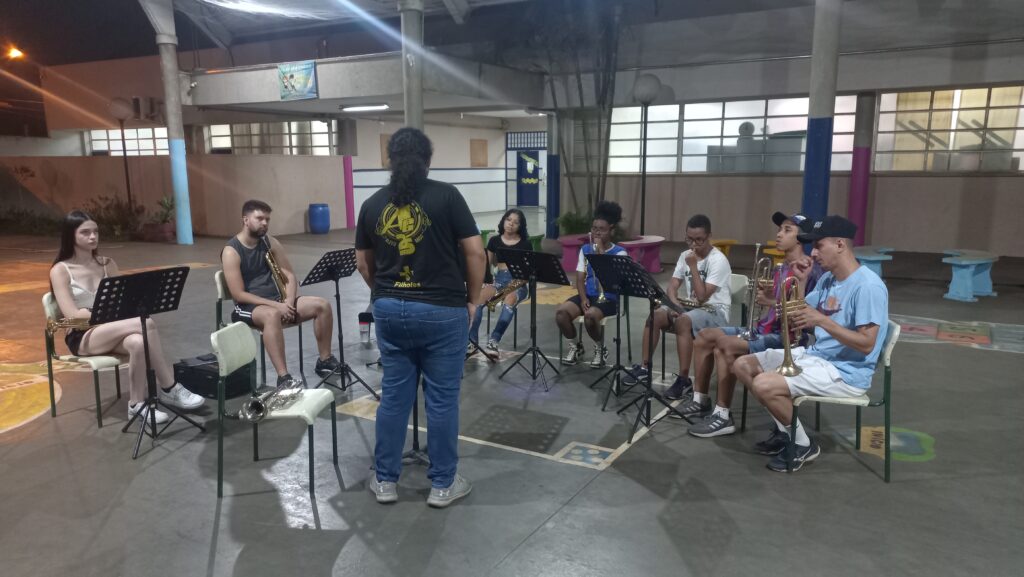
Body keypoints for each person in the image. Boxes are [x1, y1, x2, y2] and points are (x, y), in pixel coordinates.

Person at [355, 127, 486, 508]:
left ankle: (385, 480)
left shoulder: (373, 203)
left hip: (389, 310)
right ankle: (443, 485)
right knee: (442, 400)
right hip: (442, 310)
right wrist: (472, 299)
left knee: (394, 397)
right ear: (428, 160)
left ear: (390, 160)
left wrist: (385, 292)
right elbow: (476, 253)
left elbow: (363, 263)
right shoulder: (447, 196)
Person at [734, 215, 889, 472]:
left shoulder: (868, 286)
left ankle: (802, 444)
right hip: (818, 357)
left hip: (846, 372)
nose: (813, 253)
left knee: (763, 383)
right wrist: (802, 282)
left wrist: (823, 321)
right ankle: (788, 431)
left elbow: (866, 344)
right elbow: (798, 310)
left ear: (840, 245)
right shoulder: (829, 279)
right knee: (743, 365)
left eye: (819, 246)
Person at [49, 211, 204, 424]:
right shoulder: (60, 270)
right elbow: (74, 316)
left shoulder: (107, 264)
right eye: (85, 232)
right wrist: (106, 313)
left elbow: (124, 303)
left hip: (112, 327)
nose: (93, 236)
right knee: (146, 323)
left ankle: (136, 405)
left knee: (138, 342)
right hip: (82, 335)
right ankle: (169, 386)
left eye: (95, 231)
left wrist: (105, 312)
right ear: (70, 235)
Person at [684, 212, 823, 437]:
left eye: (787, 230)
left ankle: (722, 415)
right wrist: (764, 298)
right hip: (763, 329)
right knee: (705, 335)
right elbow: (769, 310)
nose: (778, 234)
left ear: (801, 238)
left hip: (786, 338)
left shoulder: (810, 270)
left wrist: (771, 301)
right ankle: (700, 399)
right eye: (779, 229)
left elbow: (805, 316)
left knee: (725, 346)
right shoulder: (780, 268)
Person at [221, 200, 340, 388]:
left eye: (267, 219)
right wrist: (278, 306)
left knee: (322, 305)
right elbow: (239, 294)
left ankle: (325, 360)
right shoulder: (231, 251)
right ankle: (283, 377)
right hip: (247, 307)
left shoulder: (269, 242)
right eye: (259, 218)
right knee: (272, 315)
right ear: (245, 220)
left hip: (278, 302)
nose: (264, 223)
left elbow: (289, 276)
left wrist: (288, 303)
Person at [624, 214, 732, 398]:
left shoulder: (718, 260)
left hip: (715, 311)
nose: (693, 244)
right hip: (692, 309)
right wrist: (674, 306)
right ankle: (644, 368)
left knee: (683, 321)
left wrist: (694, 266)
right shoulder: (685, 256)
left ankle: (683, 380)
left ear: (709, 236)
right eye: (689, 239)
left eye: (699, 240)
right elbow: (672, 287)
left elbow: (702, 296)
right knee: (656, 315)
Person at [555, 201, 627, 368]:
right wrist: (582, 298)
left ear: (611, 230)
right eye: (594, 229)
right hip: (588, 294)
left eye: (601, 229)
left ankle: (600, 349)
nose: (597, 233)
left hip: (608, 298)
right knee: (561, 314)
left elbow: (611, 280)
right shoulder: (585, 249)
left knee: (590, 317)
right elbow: (580, 278)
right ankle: (576, 346)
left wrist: (600, 252)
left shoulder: (620, 253)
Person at [468, 209, 531, 356]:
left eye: (515, 222)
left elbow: (527, 275)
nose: (511, 224)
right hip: (499, 280)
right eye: (508, 220)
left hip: (518, 282)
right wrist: (485, 283)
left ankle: (494, 340)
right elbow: (486, 266)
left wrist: (503, 293)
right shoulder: (494, 241)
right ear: (503, 220)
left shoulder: (525, 244)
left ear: (520, 226)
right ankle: (472, 341)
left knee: (510, 298)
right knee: (477, 300)